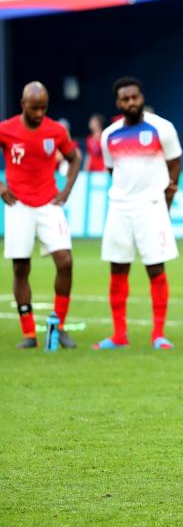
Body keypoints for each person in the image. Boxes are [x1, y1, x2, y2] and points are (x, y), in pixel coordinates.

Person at [93, 77, 182, 350]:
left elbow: (174, 165)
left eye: (135, 97)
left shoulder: (162, 129)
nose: (131, 102)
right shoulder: (110, 135)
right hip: (119, 208)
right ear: (118, 103)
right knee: (118, 268)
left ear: (141, 97)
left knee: (155, 268)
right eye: (125, 99)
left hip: (151, 207)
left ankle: (158, 334)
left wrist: (166, 198)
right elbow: (113, 170)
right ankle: (119, 335)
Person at [0, 82, 81, 349]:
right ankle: (29, 334)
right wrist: (1, 186)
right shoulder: (7, 129)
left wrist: (67, 189)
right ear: (23, 105)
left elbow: (74, 156)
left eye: (43, 108)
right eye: (34, 108)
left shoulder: (55, 131)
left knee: (65, 261)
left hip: (48, 202)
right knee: (21, 267)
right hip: (18, 205)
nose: (39, 113)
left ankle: (59, 327)